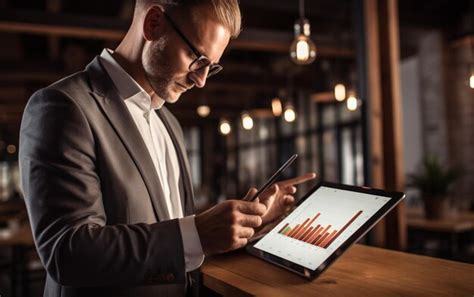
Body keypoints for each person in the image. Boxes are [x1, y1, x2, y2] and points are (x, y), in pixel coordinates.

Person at [19, 0, 316, 296]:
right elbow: (69, 253)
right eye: (196, 57)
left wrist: (245, 222)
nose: (200, 81)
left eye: (210, 68)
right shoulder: (63, 107)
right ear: (153, 24)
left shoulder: (169, 123)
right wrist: (199, 234)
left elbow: (172, 236)